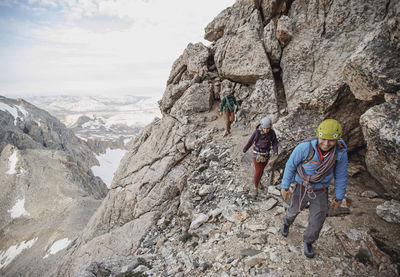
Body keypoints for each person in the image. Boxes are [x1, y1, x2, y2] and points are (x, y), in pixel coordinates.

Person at [280, 119, 348, 258]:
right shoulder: (304, 148)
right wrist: (285, 186)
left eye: (331, 140)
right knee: (294, 210)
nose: (326, 143)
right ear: (318, 135)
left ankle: (308, 241)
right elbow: (291, 165)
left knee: (318, 219)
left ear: (337, 139)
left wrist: (339, 196)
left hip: (321, 189)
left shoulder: (340, 153)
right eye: (323, 139)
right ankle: (286, 223)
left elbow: (341, 175)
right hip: (302, 186)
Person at [243, 117, 279, 196]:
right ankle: (256, 188)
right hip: (257, 153)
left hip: (266, 154)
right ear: (262, 127)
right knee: (258, 171)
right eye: (264, 128)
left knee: (262, 170)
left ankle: (258, 182)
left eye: (268, 129)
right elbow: (251, 141)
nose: (266, 130)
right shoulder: (257, 132)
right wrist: (245, 149)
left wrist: (275, 150)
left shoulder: (272, 133)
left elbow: (274, 142)